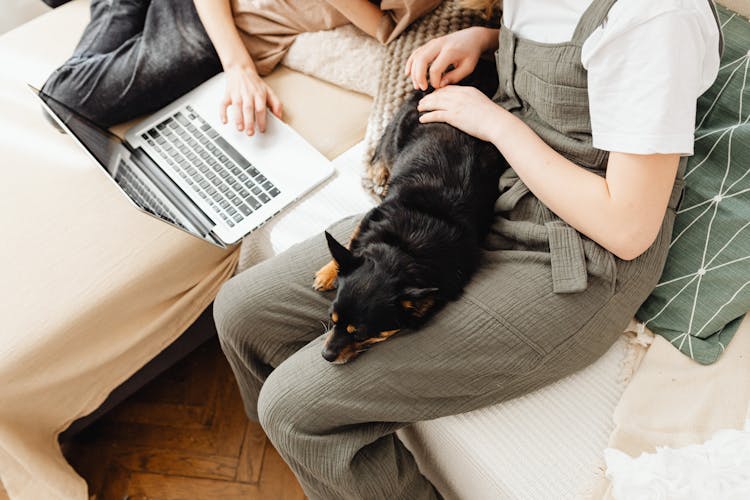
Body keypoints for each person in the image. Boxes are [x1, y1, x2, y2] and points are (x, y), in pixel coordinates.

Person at [213, 0, 723, 498]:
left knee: (294, 409)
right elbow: (578, 55)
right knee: (240, 311)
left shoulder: (657, 17)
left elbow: (628, 227)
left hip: (572, 255)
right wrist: (485, 40)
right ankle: (323, 474)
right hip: (481, 198)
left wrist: (496, 124)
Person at [41, 0, 440, 130]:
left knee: (66, 103)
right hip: (213, 24)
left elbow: (386, 31)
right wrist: (239, 67)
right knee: (65, 100)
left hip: (221, 24)